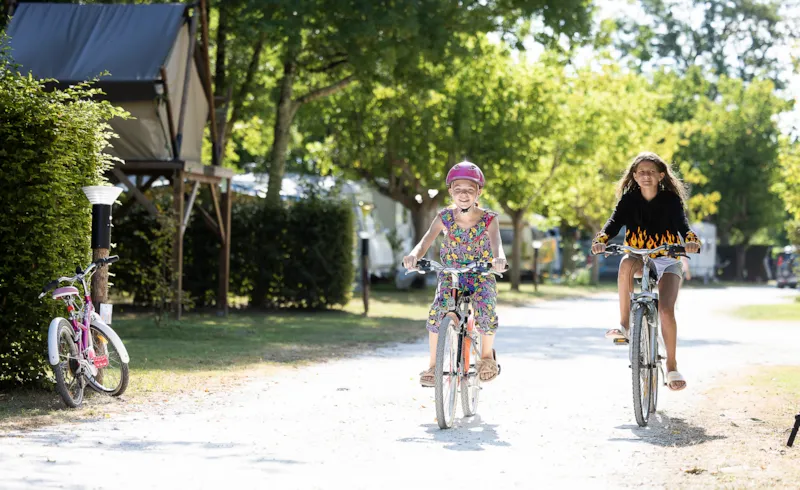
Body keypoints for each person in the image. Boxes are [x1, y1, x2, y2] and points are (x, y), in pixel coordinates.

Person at [591, 152, 701, 391]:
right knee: (625, 264)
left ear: (661, 175)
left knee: (666, 311)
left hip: (667, 257)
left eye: (651, 171)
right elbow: (613, 222)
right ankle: (624, 325)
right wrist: (601, 239)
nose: (646, 176)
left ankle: (671, 366)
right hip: (638, 255)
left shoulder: (670, 200)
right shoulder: (629, 199)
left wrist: (691, 240)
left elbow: (683, 224)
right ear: (634, 176)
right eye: (641, 172)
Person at [402, 161, 507, 387]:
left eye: (470, 189)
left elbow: (496, 244)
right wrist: (413, 255)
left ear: (478, 191)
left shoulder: (489, 218)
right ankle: (433, 366)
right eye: (458, 189)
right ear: (451, 191)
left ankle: (487, 359)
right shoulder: (444, 217)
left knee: (486, 310)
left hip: (480, 274)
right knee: (437, 311)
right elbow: (425, 241)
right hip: (451, 274)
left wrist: (499, 259)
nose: (464, 194)